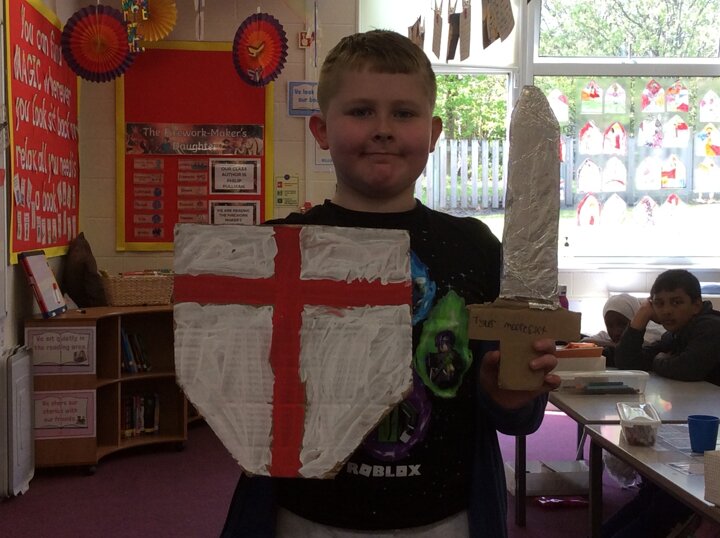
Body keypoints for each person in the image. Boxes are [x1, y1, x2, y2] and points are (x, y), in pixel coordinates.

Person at [220, 29, 560, 538]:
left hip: (444, 519)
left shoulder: (475, 249)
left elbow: (516, 413)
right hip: (305, 516)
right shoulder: (274, 251)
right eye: (361, 112)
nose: (382, 130)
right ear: (321, 130)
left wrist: (510, 392)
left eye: (403, 113)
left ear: (434, 132)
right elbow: (236, 389)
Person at [603, 269, 720, 538]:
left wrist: (658, 361)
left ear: (696, 304)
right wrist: (641, 317)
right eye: (659, 303)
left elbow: (687, 368)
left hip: (712, 434)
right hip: (698, 424)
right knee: (657, 492)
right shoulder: (676, 334)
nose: (666, 311)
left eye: (676, 302)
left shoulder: (710, 327)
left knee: (665, 501)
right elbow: (629, 361)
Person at [581, 293, 664, 366]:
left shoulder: (652, 336)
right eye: (610, 325)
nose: (616, 332)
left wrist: (613, 345)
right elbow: (583, 343)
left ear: (635, 320)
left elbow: (630, 352)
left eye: (622, 324)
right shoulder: (606, 336)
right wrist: (616, 345)